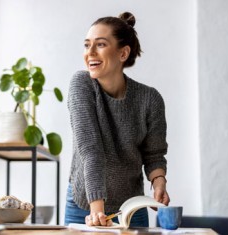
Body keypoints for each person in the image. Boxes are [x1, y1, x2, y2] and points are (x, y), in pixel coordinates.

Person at [65, 12, 170, 227]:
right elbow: (90, 148)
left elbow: (154, 154)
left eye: (100, 45)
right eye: (87, 45)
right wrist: (97, 211)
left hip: (131, 207)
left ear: (123, 53)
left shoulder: (150, 99)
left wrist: (159, 183)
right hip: (85, 206)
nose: (90, 53)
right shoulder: (82, 84)